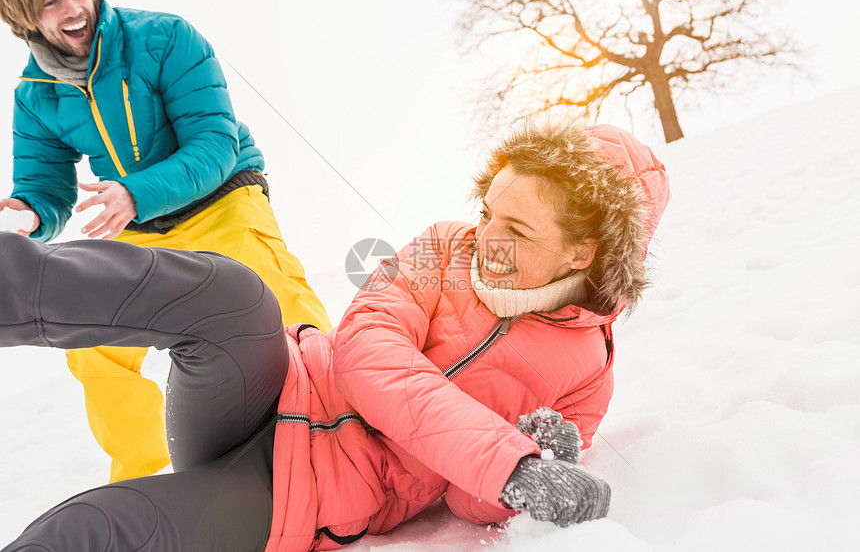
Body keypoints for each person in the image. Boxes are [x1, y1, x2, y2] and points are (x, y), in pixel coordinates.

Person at [0, 119, 670, 551]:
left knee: (94, 528)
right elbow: (367, 352)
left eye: (517, 230)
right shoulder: (443, 247)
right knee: (236, 294)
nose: (486, 237)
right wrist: (510, 460)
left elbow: (468, 497)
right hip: (268, 384)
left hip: (300, 492)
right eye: (490, 209)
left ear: (583, 251)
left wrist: (531, 464)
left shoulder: (587, 372)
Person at [0, 0, 331, 482]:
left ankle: (341, 424)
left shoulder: (164, 36)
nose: (73, 10)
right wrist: (24, 217)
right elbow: (46, 189)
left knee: (276, 298)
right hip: (137, 224)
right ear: (23, 17)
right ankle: (147, 481)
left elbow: (214, 143)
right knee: (92, 345)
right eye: (51, 3)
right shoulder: (36, 97)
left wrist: (135, 193)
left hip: (220, 197)